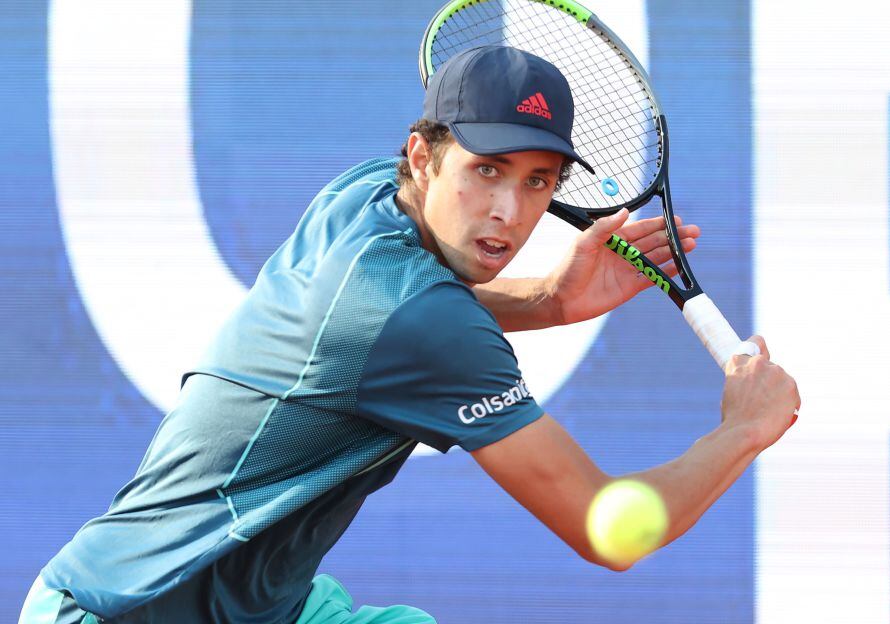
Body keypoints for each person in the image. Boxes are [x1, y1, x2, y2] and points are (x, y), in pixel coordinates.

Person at [20, 45, 799, 624]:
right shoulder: (422, 323)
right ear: (424, 156)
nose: (509, 212)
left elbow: (399, 321)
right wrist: (741, 432)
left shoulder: (364, 194)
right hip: (129, 609)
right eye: (486, 170)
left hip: (252, 603)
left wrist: (553, 298)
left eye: (537, 181)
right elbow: (608, 527)